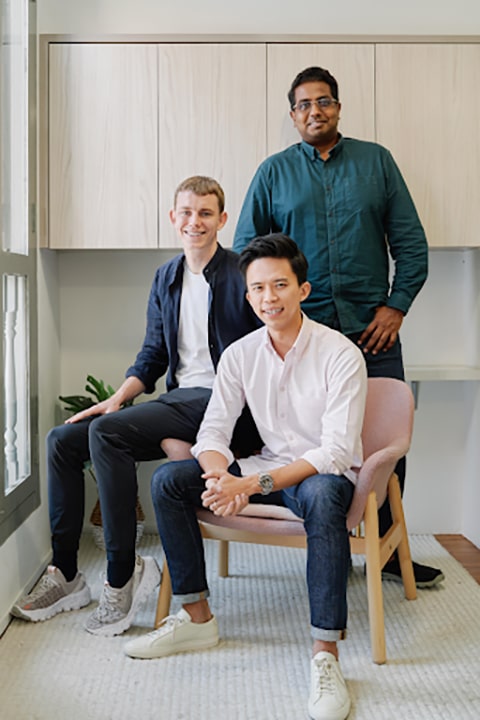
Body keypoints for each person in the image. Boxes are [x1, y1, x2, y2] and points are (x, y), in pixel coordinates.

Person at [124, 234, 367, 720]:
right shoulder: (239, 355)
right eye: (258, 288)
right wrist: (219, 480)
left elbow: (335, 450)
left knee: (321, 496)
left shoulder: (340, 354)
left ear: (304, 289)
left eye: (280, 285)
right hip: (263, 464)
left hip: (319, 473)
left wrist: (250, 487)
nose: (268, 297)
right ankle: (196, 617)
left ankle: (325, 655)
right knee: (170, 481)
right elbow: (213, 431)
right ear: (247, 294)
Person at [12, 175, 261, 635]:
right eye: (186, 212)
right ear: (172, 218)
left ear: (222, 220)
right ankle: (67, 574)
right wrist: (117, 399)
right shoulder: (165, 277)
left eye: (206, 213)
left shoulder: (242, 273)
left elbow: (263, 349)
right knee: (65, 440)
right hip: (180, 400)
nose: (195, 222)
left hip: (227, 406)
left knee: (107, 434)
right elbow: (152, 355)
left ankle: (121, 577)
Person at [233, 66, 443, 588]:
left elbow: (411, 246)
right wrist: (273, 313)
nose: (314, 112)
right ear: (292, 115)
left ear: (339, 107)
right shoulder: (273, 173)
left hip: (375, 334)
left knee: (382, 443)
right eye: (303, 105)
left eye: (323, 101)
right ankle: (328, 542)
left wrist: (395, 306)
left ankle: (388, 553)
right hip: (302, 340)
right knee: (311, 440)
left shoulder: (377, 163)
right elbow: (247, 253)